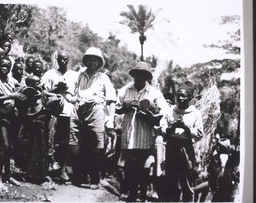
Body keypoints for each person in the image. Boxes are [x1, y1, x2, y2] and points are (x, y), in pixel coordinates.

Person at [115, 61, 169, 201]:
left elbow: (164, 113)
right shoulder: (125, 90)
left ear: (147, 77)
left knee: (144, 168)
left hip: (145, 136)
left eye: (142, 75)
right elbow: (116, 108)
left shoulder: (154, 93)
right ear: (133, 75)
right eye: (137, 75)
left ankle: (143, 195)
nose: (139, 77)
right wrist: (127, 107)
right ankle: (132, 195)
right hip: (129, 135)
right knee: (129, 168)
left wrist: (149, 115)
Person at [70, 47, 116, 190]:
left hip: (96, 109)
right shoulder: (78, 75)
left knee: (96, 145)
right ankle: (78, 175)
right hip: (79, 108)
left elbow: (111, 99)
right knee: (75, 143)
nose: (92, 63)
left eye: (95, 60)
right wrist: (72, 98)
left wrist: (111, 119)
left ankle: (94, 178)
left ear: (99, 62)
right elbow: (70, 92)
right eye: (89, 59)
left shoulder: (103, 77)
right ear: (85, 61)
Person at [160, 80, 204, 202]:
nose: (181, 98)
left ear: (190, 97)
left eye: (184, 95)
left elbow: (200, 133)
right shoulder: (170, 111)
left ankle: (187, 200)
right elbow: (162, 126)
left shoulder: (195, 113)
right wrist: (170, 128)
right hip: (171, 147)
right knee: (171, 177)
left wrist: (187, 128)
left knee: (186, 178)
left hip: (186, 149)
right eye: (179, 95)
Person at [0, 57, 26, 191]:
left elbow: (20, 87)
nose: (5, 68)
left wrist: (23, 90)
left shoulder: (9, 80)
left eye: (8, 66)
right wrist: (11, 96)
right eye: (2, 65)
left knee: (9, 147)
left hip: (10, 115)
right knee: (4, 146)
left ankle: (8, 175)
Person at [41, 50, 79, 183]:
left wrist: (68, 92)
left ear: (69, 60)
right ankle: (47, 169)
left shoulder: (75, 75)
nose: (62, 61)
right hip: (53, 112)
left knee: (65, 142)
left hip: (68, 112)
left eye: (65, 59)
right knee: (50, 139)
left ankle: (62, 170)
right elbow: (43, 91)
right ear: (57, 59)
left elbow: (77, 94)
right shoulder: (50, 74)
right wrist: (57, 89)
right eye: (60, 59)